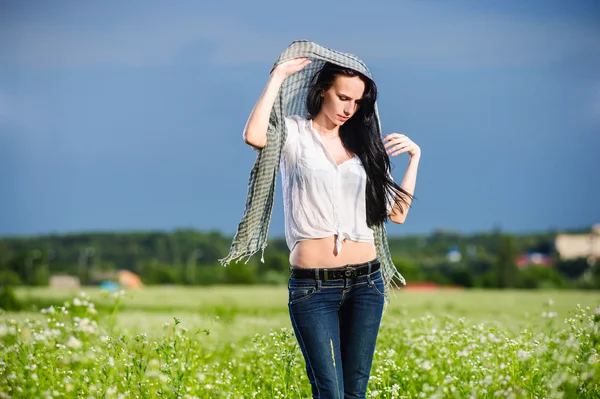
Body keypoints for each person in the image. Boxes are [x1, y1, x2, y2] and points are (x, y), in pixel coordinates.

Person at [242, 53, 421, 399]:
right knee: (329, 392)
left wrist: (415, 158)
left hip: (367, 284)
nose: (349, 108)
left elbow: (397, 214)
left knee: (355, 392)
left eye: (357, 101)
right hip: (313, 288)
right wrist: (277, 77)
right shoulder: (295, 134)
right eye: (343, 97)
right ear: (323, 91)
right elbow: (254, 135)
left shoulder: (364, 150)